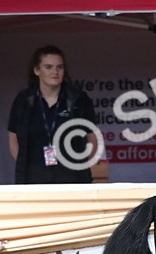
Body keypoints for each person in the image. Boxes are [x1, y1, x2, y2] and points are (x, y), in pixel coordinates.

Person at [7, 45, 98, 184]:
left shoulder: (78, 99)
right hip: (32, 178)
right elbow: (13, 139)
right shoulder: (24, 100)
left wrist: (81, 166)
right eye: (48, 67)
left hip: (72, 178)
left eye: (59, 67)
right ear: (37, 70)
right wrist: (24, 166)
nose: (55, 72)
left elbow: (92, 139)